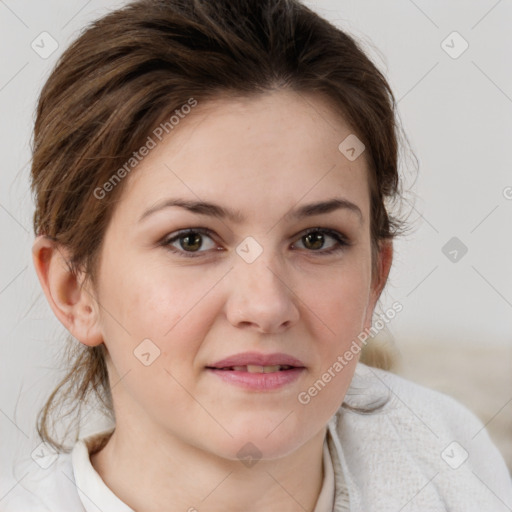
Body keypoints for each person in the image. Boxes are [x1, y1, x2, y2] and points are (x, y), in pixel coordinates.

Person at [1, 0, 511, 510]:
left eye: (316, 239)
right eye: (192, 240)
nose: (266, 306)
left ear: (376, 277)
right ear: (75, 291)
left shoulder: (448, 457)